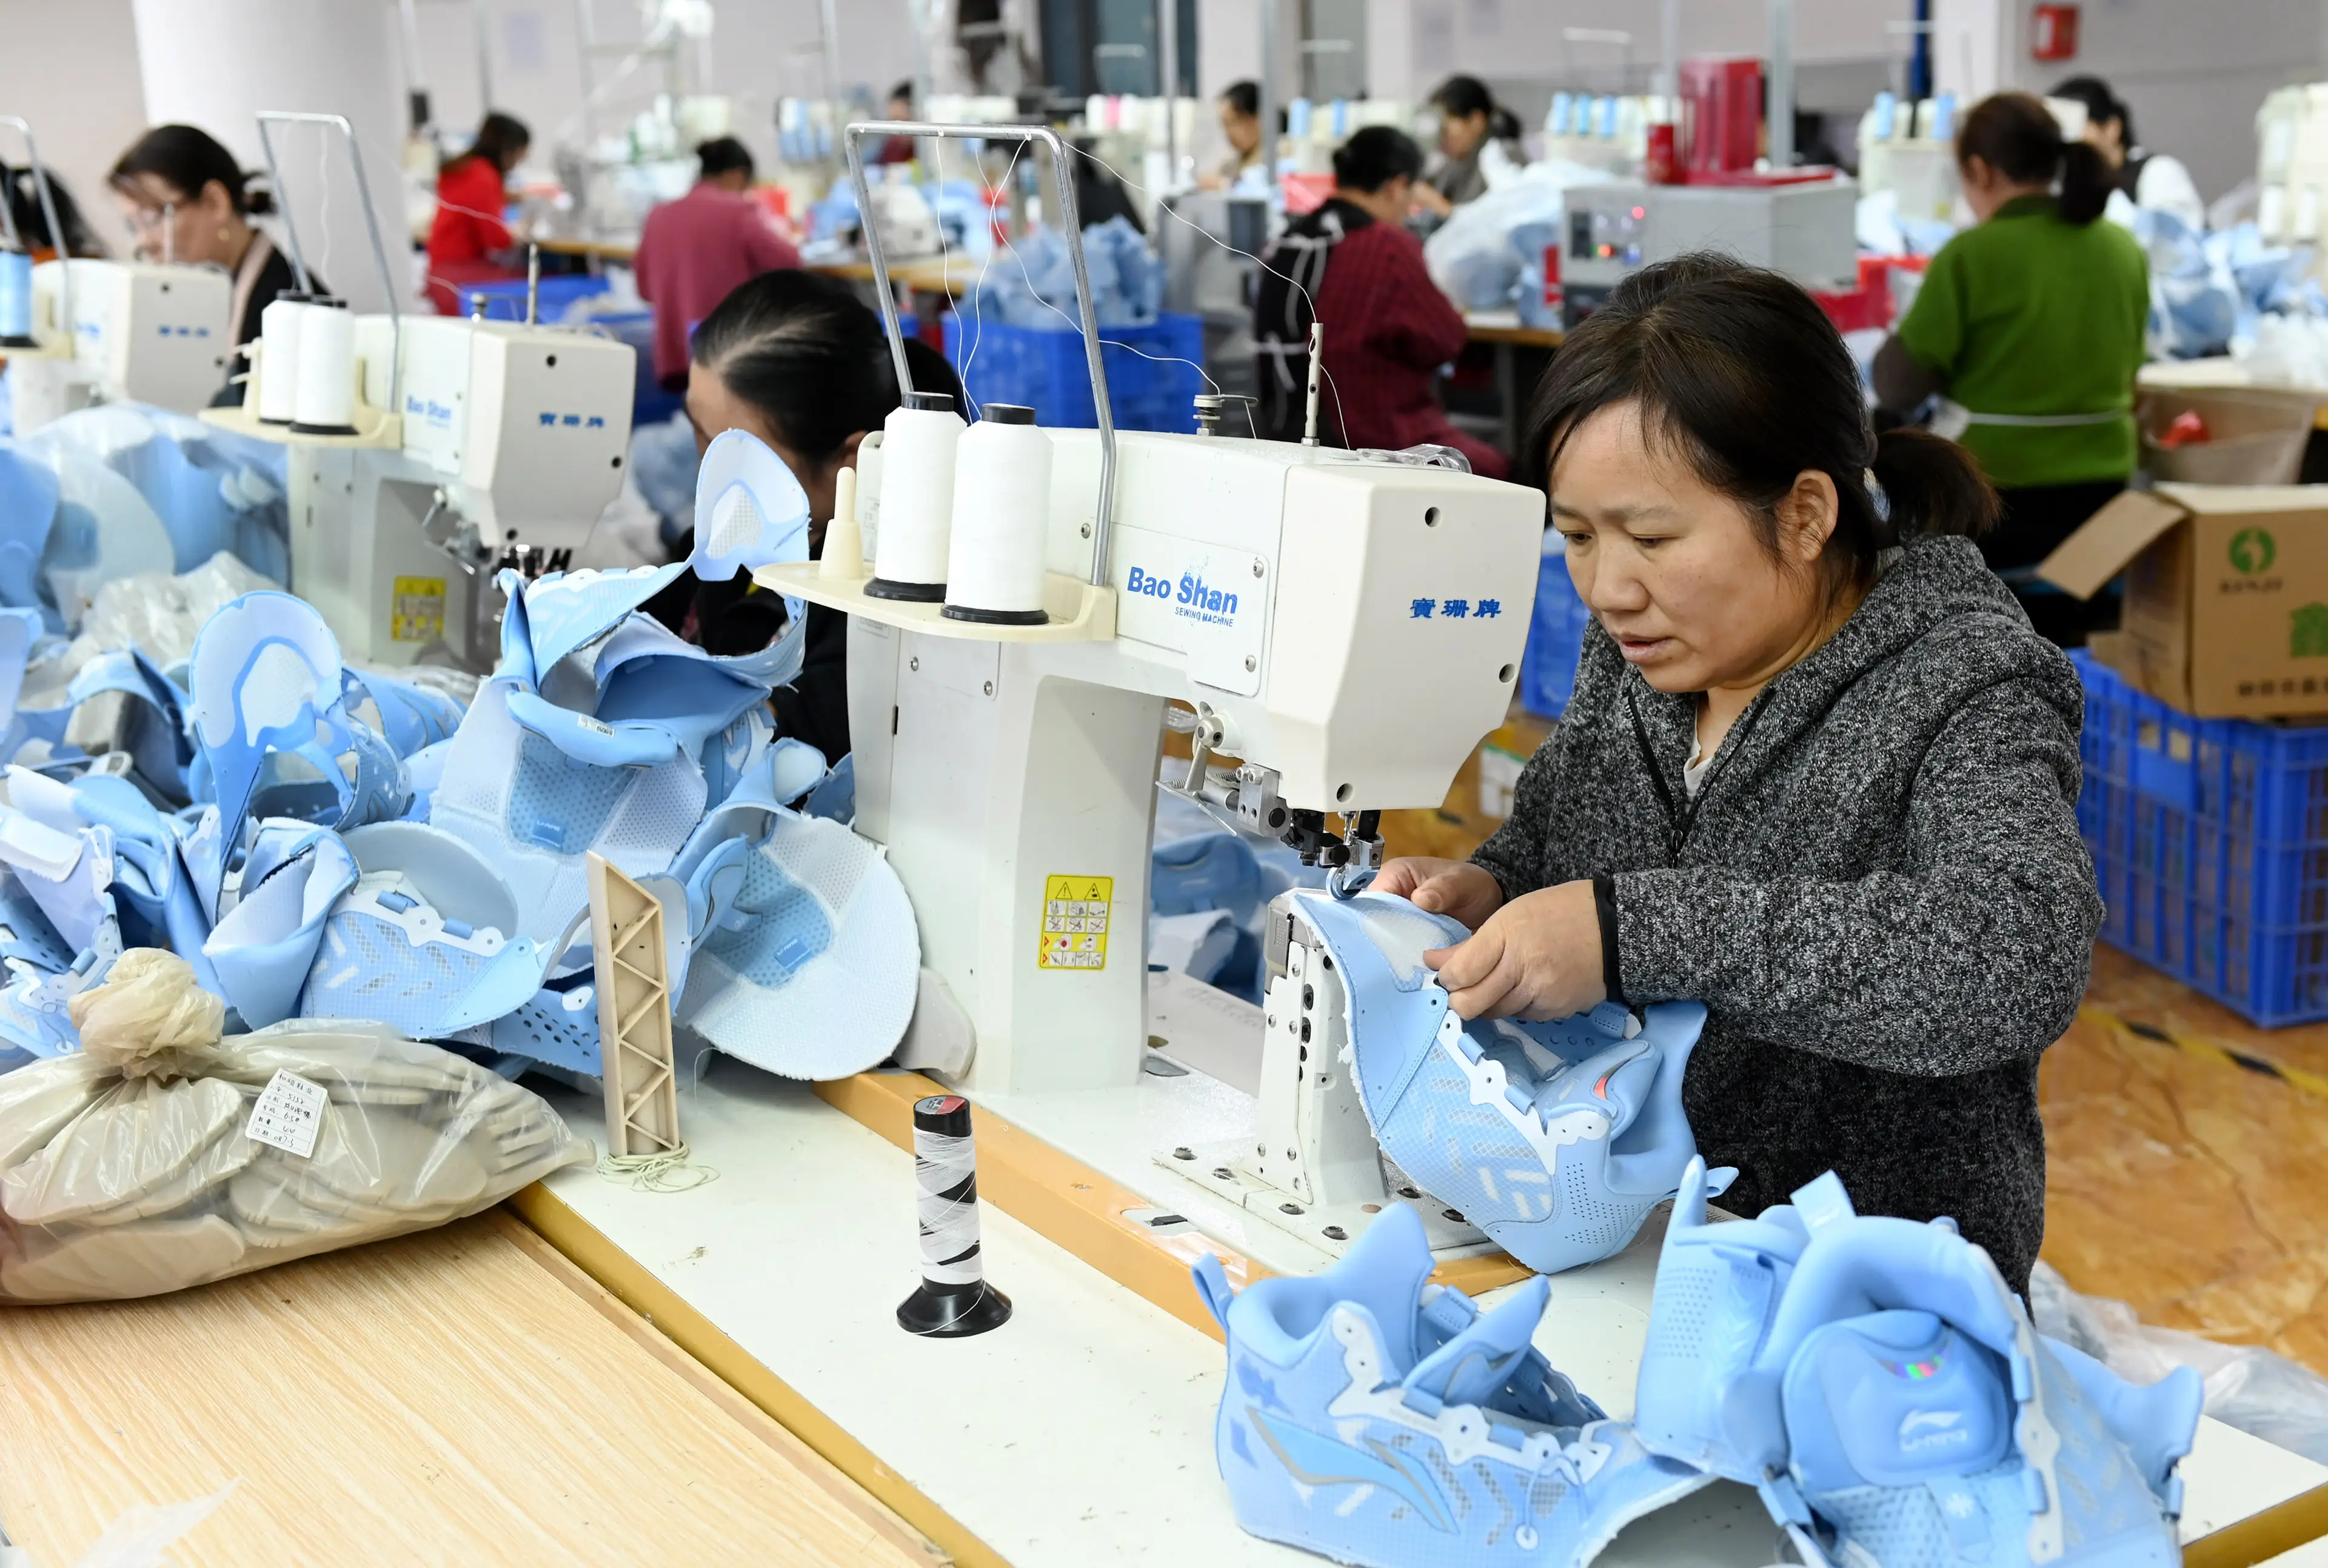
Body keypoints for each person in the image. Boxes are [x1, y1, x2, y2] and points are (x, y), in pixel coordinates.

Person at [1376, 254, 2097, 1296]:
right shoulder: (1642, 646)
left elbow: (2014, 957)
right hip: (1629, 1243)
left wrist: (1637, 932)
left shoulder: (1967, 678)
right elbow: (1558, 826)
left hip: (1864, 1309)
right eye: (1576, 537)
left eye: (1653, 538)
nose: (1608, 587)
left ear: (1805, 515)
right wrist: (1491, 886)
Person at [1873, 91, 2147, 647]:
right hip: (2104, 498)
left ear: (1979, 169)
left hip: (1996, 501)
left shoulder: (1973, 256)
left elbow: (1899, 382)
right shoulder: (2123, 250)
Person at [667, 270, 962, 762]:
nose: (706, 472)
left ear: (851, 462)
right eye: (699, 432)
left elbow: (762, 755)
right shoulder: (724, 546)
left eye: (737, 460)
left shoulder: (879, 631)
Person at [1253, 126, 1504, 476]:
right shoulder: (1384, 247)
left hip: (1289, 435)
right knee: (1507, 470)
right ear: (1397, 186)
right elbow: (1445, 340)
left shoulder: (1290, 240)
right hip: (1377, 441)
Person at [110, 124, 318, 403]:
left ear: (215, 202)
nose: (144, 242)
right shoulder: (211, 291)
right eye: (132, 226)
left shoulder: (292, 304)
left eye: (152, 218)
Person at [633, 137, 800, 393]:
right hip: (727, 361)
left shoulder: (659, 215)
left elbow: (644, 290)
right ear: (737, 175)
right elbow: (789, 264)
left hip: (674, 362)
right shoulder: (739, 212)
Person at [2050, 75, 2206, 232]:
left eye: (2074, 129)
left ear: (2112, 128)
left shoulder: (2158, 172)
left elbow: (2173, 243)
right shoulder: (2058, 184)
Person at [425, 112, 531, 316]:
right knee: (540, 282)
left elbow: (472, 203)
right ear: (510, 151)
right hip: (459, 278)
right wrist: (518, 231)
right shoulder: (484, 176)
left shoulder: (466, 169)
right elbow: (497, 240)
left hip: (440, 273)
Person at [1413, 75, 1525, 218]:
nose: (1442, 138)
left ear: (1476, 121)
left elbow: (1505, 220)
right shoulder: (1452, 166)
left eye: (1447, 130)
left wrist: (1439, 206)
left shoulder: (1503, 156)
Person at [1202, 80, 1265, 189]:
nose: (1228, 132)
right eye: (1224, 124)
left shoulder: (1280, 155)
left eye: (1233, 122)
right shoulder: (1231, 164)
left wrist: (1224, 185)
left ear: (1256, 119)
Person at [877, 82, 918, 166]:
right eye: (893, 122)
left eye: (904, 121)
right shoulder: (892, 148)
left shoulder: (932, 152)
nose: (897, 131)